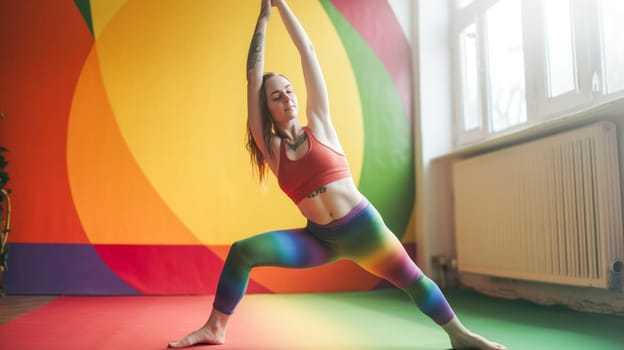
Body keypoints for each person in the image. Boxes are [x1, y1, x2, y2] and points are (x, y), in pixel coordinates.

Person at [168, 1, 506, 349]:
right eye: (276, 96)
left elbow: (307, 51)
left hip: (363, 230)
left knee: (413, 280)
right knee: (242, 251)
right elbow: (253, 76)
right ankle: (215, 327)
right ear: (265, 106)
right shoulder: (271, 149)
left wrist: (280, 4)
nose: (287, 98)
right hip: (320, 241)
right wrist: (263, 17)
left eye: (289, 91)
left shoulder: (320, 124)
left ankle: (459, 335)